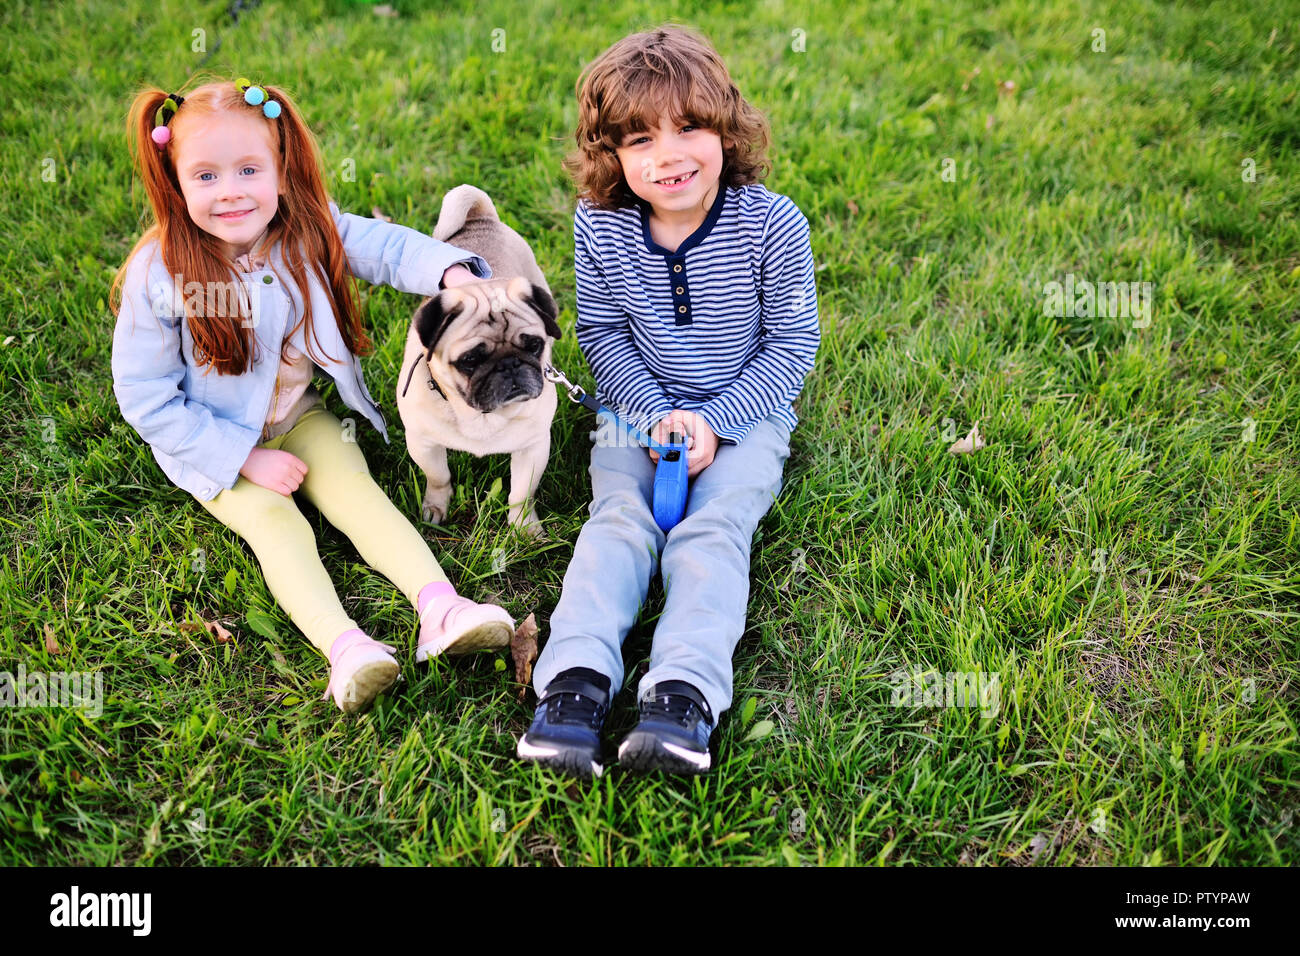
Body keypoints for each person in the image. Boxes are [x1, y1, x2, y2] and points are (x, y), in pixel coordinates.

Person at [110, 77, 515, 714]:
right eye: (206, 176)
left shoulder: (304, 229)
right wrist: (243, 458)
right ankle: (346, 647)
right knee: (278, 525)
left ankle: (443, 608)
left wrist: (449, 270)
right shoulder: (159, 272)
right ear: (176, 181)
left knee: (356, 492)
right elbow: (145, 396)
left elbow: (383, 246)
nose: (232, 191)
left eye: (249, 169)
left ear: (281, 168)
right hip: (212, 445)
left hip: (299, 416)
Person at [517, 27, 820, 776]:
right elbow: (605, 332)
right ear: (611, 155)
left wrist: (715, 422)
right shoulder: (602, 224)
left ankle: (681, 696)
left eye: (690, 128)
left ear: (726, 128)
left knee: (713, 532)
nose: (668, 155)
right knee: (617, 522)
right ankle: (574, 687)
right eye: (640, 139)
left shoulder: (772, 223)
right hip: (634, 411)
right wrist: (654, 414)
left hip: (746, 417)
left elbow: (791, 344)